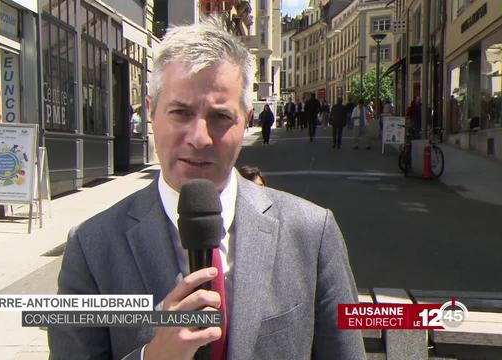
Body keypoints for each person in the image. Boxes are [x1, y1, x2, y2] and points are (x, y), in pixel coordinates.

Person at [49, 19, 365, 360]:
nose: (199, 137)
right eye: (180, 112)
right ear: (151, 112)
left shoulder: (311, 233)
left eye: (220, 117)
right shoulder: (91, 247)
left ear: (246, 121)